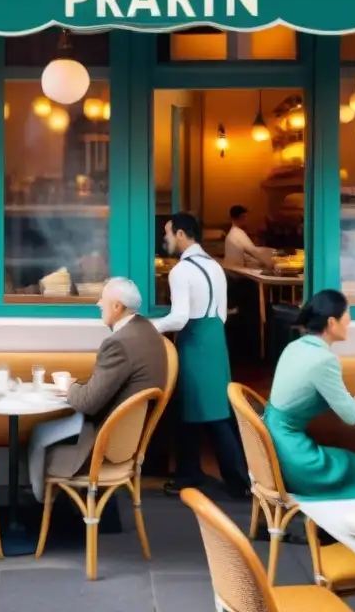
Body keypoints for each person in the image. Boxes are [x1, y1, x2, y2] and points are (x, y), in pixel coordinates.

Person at [27, 278, 167, 500]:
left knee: (38, 434)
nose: (98, 303)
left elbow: (89, 403)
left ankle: (41, 504)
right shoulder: (147, 331)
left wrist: (70, 386)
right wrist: (81, 385)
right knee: (45, 431)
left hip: (107, 441)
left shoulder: (119, 343)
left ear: (117, 306)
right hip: (128, 437)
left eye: (103, 298)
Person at [151, 212, 249, 499]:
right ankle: (190, 472)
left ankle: (238, 481)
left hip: (195, 341)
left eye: (168, 233)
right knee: (207, 408)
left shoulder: (180, 271)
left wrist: (151, 326)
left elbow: (180, 318)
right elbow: (222, 313)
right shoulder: (214, 266)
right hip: (215, 339)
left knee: (204, 412)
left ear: (181, 234)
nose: (166, 238)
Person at [264, 290, 355, 504]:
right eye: (347, 314)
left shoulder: (294, 347)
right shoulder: (324, 360)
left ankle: (335, 529)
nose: (350, 320)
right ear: (332, 322)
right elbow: (351, 416)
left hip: (271, 449)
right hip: (294, 457)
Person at [223, 205, 274, 270]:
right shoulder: (237, 234)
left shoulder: (232, 232)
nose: (247, 220)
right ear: (242, 217)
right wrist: (271, 264)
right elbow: (254, 252)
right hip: (237, 272)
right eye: (246, 217)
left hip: (231, 270)